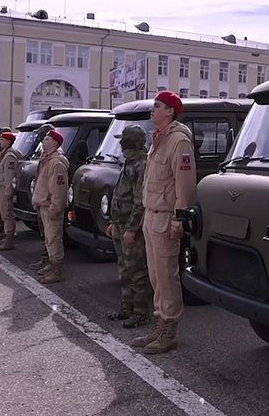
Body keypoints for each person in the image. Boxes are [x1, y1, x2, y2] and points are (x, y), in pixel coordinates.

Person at [132, 91, 196, 354]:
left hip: (166, 217)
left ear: (170, 111)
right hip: (151, 215)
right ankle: (159, 324)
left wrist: (179, 218)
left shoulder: (179, 141)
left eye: (157, 106)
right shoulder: (158, 139)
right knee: (156, 276)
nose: (152, 110)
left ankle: (169, 330)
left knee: (167, 276)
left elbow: (185, 185)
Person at [106, 125, 153, 328]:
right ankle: (127, 308)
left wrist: (132, 229)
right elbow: (120, 194)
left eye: (123, 140)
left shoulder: (141, 165)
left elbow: (139, 201)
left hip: (130, 227)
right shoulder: (129, 162)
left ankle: (141, 312)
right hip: (120, 224)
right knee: (124, 269)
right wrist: (113, 222)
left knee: (137, 271)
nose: (120, 144)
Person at [31, 129, 69, 284]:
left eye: (47, 139)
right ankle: (52, 266)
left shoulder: (56, 162)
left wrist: (55, 207)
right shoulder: (47, 159)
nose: (43, 141)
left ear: (55, 143)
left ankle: (57, 271)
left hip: (50, 206)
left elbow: (58, 189)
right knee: (49, 239)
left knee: (54, 239)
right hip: (44, 204)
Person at [28, 123, 56, 272]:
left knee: (51, 234)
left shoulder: (55, 155)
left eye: (43, 136)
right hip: (41, 198)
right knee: (44, 232)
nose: (40, 139)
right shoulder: (43, 152)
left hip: (48, 200)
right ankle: (46, 259)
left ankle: (51, 262)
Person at [0, 131, 21, 251]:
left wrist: (9, 191)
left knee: (7, 214)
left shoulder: (9, 156)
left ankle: (9, 240)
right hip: (1, 186)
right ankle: (6, 237)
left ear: (8, 141)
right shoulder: (4, 153)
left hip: (5, 187)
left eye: (2, 140)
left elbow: (9, 176)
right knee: (4, 213)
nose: (0, 142)